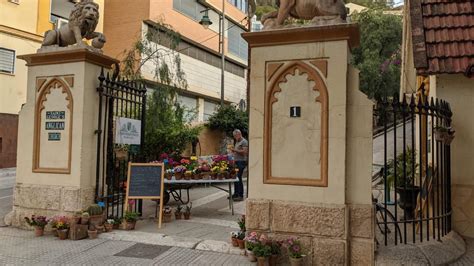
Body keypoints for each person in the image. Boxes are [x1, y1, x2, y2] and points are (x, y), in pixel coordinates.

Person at [231, 129, 248, 201]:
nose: (235, 137)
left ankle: (240, 195)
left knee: (238, 177)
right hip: (237, 162)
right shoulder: (237, 142)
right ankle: (236, 193)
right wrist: (234, 160)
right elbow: (236, 153)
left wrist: (235, 150)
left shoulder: (244, 141)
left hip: (241, 162)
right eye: (234, 136)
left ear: (239, 134)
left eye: (235, 136)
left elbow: (245, 152)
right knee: (235, 177)